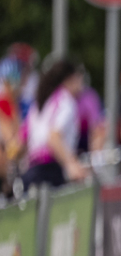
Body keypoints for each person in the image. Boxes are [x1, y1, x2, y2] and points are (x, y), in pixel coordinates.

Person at [22, 57, 90, 189]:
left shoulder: (42, 101)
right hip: (50, 170)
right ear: (70, 78)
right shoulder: (66, 101)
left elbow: (24, 136)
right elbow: (54, 137)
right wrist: (71, 164)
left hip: (33, 169)